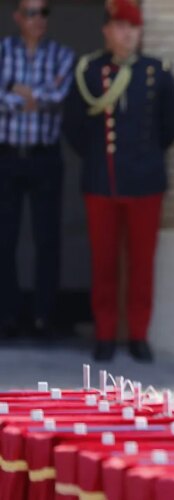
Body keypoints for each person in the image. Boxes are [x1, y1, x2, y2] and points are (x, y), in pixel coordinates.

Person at [63, 0, 174, 362]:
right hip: (103, 181)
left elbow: (167, 129)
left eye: (133, 27)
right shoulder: (89, 71)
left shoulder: (157, 72)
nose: (126, 33)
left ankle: (138, 335)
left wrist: (142, 161)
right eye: (119, 26)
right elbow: (75, 127)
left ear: (140, 32)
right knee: (105, 264)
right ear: (107, 31)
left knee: (141, 266)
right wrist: (99, 158)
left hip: (145, 184)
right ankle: (105, 334)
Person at [0, 0, 74, 338]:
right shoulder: (2, 51)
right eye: (32, 13)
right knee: (5, 239)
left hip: (45, 157)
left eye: (44, 12)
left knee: (47, 240)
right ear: (17, 17)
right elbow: (42, 97)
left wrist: (12, 90)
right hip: (7, 156)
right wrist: (32, 97)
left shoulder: (61, 54)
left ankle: (44, 316)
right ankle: (8, 317)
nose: (39, 19)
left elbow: (58, 96)